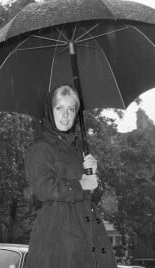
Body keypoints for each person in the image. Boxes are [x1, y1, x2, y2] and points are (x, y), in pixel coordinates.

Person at [25, 84, 117, 268]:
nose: (65, 115)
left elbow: (91, 197)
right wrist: (81, 184)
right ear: (51, 111)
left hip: (88, 230)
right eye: (59, 108)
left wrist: (94, 176)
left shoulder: (78, 150)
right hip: (57, 233)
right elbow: (43, 189)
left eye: (71, 109)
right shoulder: (40, 148)